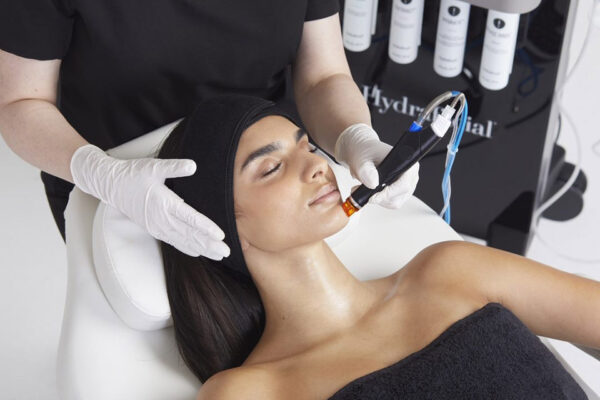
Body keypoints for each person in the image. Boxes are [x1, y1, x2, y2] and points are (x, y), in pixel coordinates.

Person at [157, 94, 598, 399]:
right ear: (209, 222)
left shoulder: (451, 270)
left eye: (307, 147)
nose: (315, 166)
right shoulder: (252, 391)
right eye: (271, 167)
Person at [0, 1, 419, 259]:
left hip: (262, 180)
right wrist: (101, 174)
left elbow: (323, 76)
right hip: (119, 182)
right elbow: (19, 103)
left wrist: (354, 136)